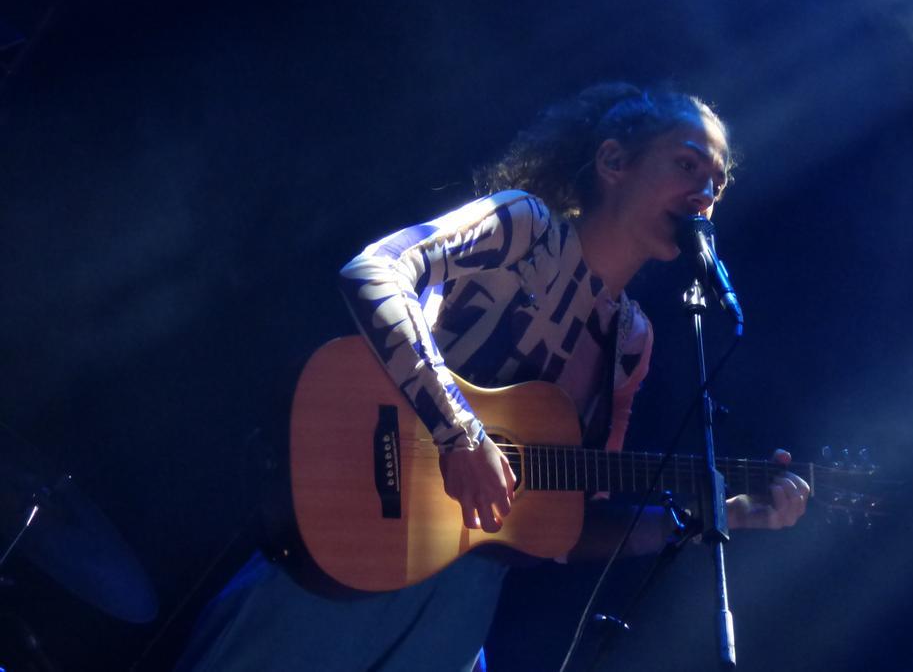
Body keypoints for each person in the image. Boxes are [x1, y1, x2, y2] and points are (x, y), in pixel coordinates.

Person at [175, 82, 810, 672]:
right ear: (614, 161)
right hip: (348, 538)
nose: (706, 190)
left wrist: (716, 517)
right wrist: (460, 434)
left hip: (456, 612)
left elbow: (566, 527)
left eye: (718, 182)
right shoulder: (523, 226)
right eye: (688, 163)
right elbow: (375, 272)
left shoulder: (631, 341)